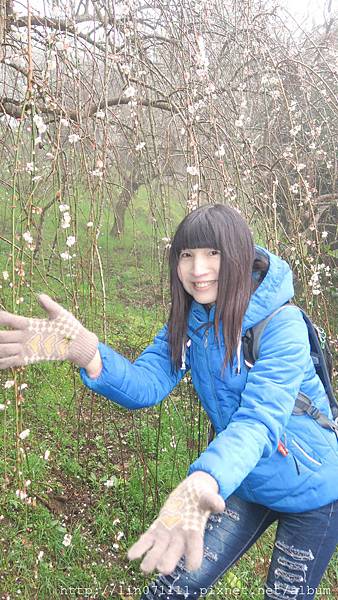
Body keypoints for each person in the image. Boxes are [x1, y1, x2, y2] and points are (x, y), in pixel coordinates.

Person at [0, 204, 337, 600]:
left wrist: (200, 481)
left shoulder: (282, 326)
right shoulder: (192, 320)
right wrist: (84, 350)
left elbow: (259, 420)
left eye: (213, 253)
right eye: (187, 255)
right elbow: (146, 383)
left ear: (240, 255)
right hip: (243, 479)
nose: (199, 270)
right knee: (173, 587)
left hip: (313, 492)